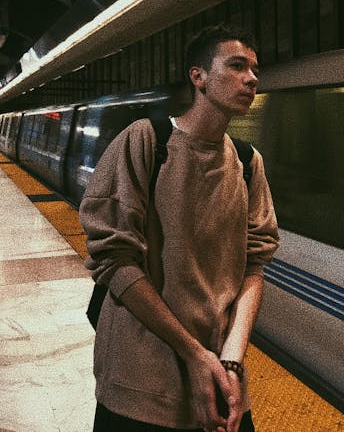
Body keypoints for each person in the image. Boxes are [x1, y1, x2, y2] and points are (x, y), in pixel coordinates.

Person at [79, 24, 279, 432]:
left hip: (220, 374)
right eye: (237, 66)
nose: (252, 78)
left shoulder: (247, 162)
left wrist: (230, 359)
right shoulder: (146, 142)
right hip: (141, 384)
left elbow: (254, 267)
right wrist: (194, 354)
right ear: (198, 76)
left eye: (255, 69)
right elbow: (115, 260)